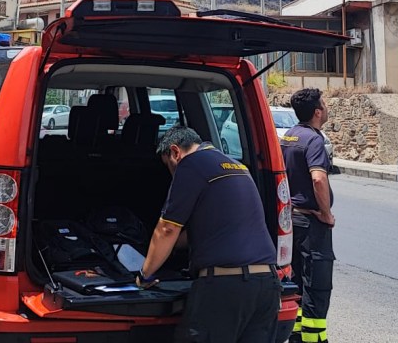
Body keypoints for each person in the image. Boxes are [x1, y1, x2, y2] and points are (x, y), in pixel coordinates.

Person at [137, 125, 281, 343]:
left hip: (226, 289)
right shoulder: (237, 166)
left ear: (175, 152)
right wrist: (170, 248)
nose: (172, 174)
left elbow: (168, 229)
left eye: (169, 167)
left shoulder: (191, 165)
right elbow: (214, 229)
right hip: (266, 286)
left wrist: (145, 275)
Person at [281, 88, 334, 343]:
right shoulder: (313, 140)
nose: (326, 108)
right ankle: (315, 339)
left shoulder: (289, 136)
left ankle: (295, 336)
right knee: (317, 286)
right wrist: (326, 213)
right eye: (324, 104)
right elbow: (319, 179)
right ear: (317, 112)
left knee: (296, 284)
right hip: (311, 223)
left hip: (290, 222)